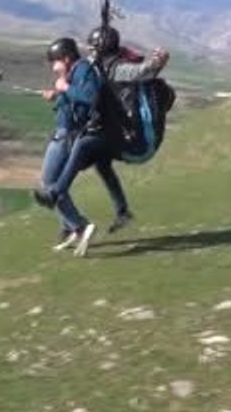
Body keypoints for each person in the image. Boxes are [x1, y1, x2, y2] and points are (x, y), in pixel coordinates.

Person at [35, 26, 170, 255]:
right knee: (101, 162)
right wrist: (60, 93)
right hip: (115, 131)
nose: (90, 52)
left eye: (93, 48)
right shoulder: (94, 67)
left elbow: (141, 73)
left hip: (127, 136)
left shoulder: (114, 69)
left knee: (86, 145)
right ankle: (118, 211)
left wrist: (158, 62)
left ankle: (59, 197)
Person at [37, 36, 102, 251]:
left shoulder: (84, 70)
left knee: (49, 184)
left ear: (66, 58)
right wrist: (56, 96)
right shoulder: (74, 72)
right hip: (65, 133)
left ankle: (81, 226)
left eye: (55, 62)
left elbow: (91, 96)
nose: (53, 67)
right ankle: (74, 227)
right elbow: (73, 102)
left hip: (68, 136)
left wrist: (64, 87)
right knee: (54, 185)